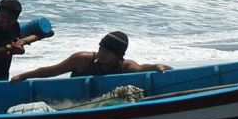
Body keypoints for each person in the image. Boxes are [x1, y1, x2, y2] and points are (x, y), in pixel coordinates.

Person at [10, 31, 172, 81]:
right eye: (101, 48)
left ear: (118, 56)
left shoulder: (125, 66)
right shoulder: (82, 60)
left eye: (107, 52)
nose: (101, 54)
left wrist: (158, 66)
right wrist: (23, 76)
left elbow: (141, 68)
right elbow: (52, 71)